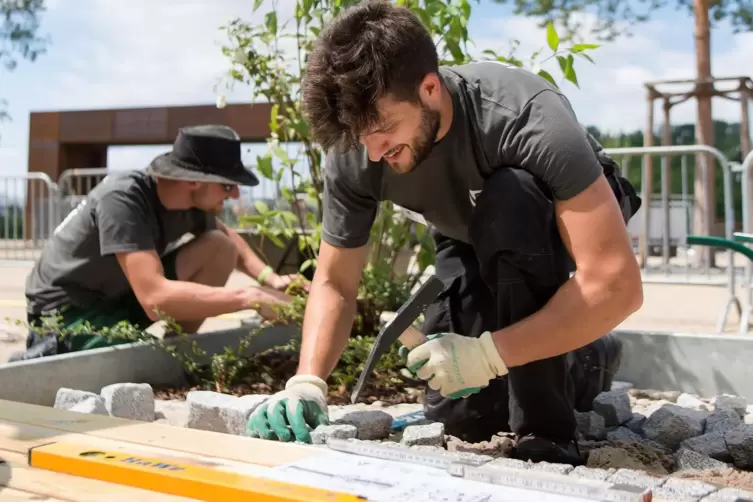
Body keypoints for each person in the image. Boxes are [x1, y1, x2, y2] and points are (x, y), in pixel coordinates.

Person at [245, 1, 644, 465]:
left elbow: (615, 284)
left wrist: (490, 353)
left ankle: (547, 429)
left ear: (430, 89)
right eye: (361, 137)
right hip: (469, 229)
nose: (373, 154)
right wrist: (308, 383)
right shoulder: (361, 144)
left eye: (384, 128)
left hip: (552, 216)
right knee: (465, 416)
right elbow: (334, 283)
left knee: (511, 199)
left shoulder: (522, 116)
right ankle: (586, 359)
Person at [16, 124, 300, 360]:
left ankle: (178, 352)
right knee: (137, 366)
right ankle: (43, 354)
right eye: (228, 185)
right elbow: (154, 299)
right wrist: (251, 298)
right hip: (66, 311)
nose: (236, 195)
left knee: (220, 247)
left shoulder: (191, 204)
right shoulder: (123, 199)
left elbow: (229, 239)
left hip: (120, 297)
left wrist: (270, 279)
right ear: (194, 181)